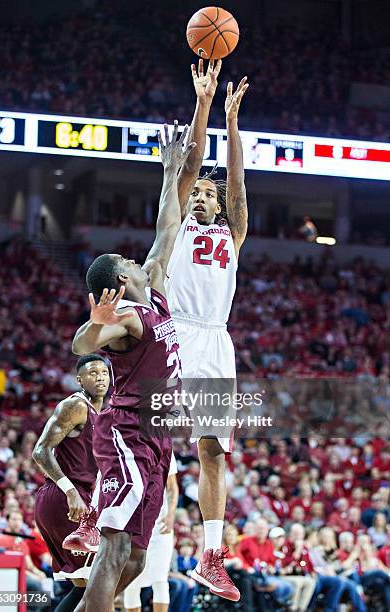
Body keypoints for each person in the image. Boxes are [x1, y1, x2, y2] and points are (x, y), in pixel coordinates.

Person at [70, 123, 195, 612]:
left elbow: (168, 227)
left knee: (138, 560)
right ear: (122, 277)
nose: (138, 257)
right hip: (126, 433)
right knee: (116, 547)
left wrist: (169, 171)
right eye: (127, 258)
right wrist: (92, 325)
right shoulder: (127, 320)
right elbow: (83, 342)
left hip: (158, 435)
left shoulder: (157, 291)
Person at [165, 59, 249, 602]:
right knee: (144, 437)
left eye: (206, 195)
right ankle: (103, 516)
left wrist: (232, 120)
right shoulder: (174, 221)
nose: (200, 196)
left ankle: (212, 557)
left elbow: (238, 186)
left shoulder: (232, 232)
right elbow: (191, 162)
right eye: (195, 192)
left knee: (213, 450)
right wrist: (203, 104)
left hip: (216, 341)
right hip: (175, 334)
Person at [32, 354, 110, 612]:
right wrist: (70, 490)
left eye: (104, 372)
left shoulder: (105, 413)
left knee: (87, 586)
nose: (100, 377)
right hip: (63, 497)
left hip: (80, 499)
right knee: (97, 582)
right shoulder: (75, 406)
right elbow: (40, 451)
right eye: (92, 373)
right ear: (80, 379)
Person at [124, 452, 179, 612]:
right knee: (131, 579)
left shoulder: (165, 447)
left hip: (160, 521)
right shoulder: (127, 443)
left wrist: (171, 514)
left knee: (161, 579)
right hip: (133, 520)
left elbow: (172, 486)